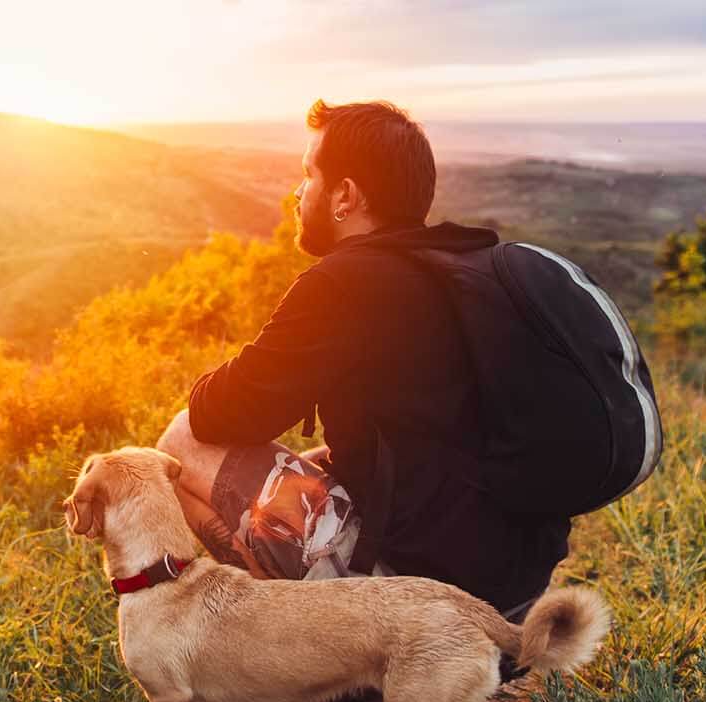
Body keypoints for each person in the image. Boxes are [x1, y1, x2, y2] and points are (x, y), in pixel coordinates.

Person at [155, 99, 574, 623]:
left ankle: (325, 666)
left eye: (308, 174)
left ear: (345, 196)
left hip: (424, 613)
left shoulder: (343, 283)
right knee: (319, 461)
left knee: (180, 443)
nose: (297, 191)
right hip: (514, 603)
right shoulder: (460, 268)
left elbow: (216, 416)